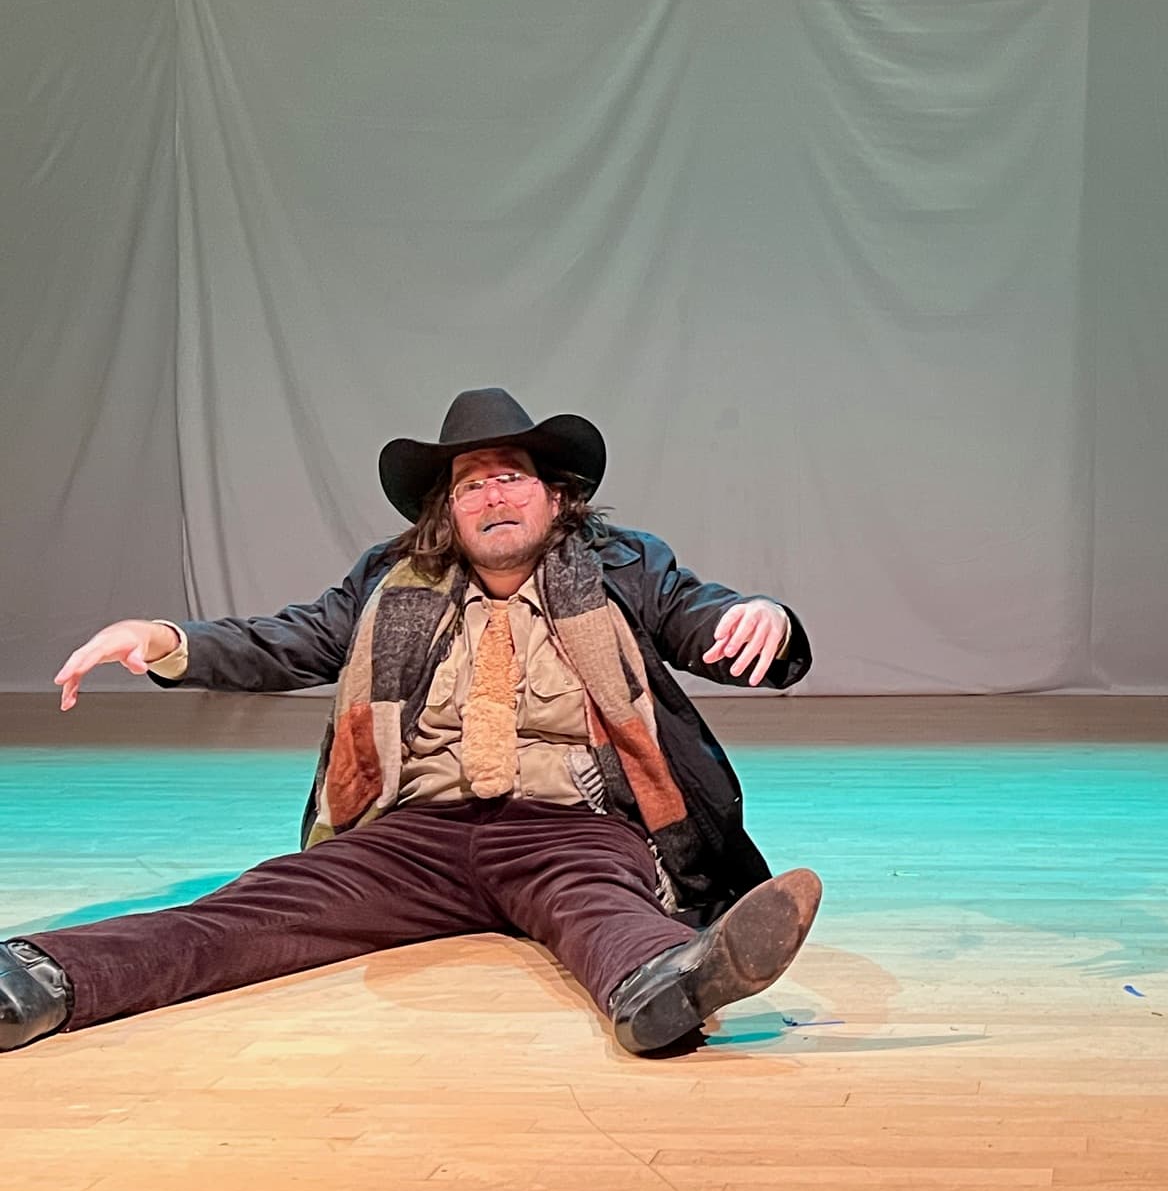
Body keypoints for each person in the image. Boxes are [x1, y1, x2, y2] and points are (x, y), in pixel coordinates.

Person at [4, 387, 820, 1055]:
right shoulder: (393, 583)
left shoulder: (625, 568)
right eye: (472, 483)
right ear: (449, 511)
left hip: (571, 827)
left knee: (603, 904)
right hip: (415, 835)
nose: (493, 493)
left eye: (512, 476)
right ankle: (37, 981)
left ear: (555, 497)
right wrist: (164, 641)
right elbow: (288, 641)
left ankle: (667, 986)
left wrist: (760, 617)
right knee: (257, 907)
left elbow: (700, 616)